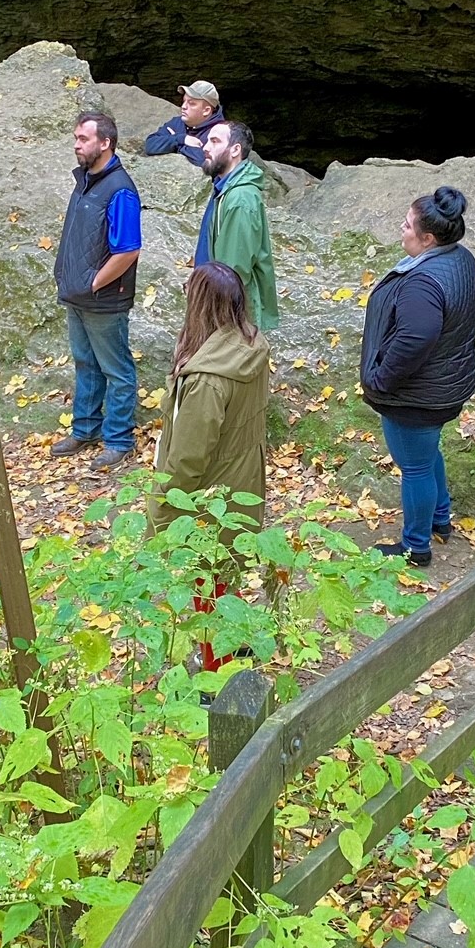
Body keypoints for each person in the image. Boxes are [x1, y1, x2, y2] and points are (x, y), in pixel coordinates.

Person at [153, 263, 273, 672]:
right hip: (243, 477)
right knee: (226, 570)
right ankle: (238, 645)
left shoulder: (208, 378)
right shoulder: (250, 344)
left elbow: (188, 457)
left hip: (210, 493)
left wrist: (163, 506)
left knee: (207, 581)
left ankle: (217, 671)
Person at [361, 187, 475, 568]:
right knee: (427, 453)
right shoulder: (461, 259)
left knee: (413, 466)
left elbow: (415, 339)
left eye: (408, 224)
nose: (402, 228)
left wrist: (380, 380)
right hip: (447, 386)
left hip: (418, 396)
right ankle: (440, 520)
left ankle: (416, 547)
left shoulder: (423, 282)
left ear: (428, 238)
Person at [51, 111, 144, 469]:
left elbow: (128, 250)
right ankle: (85, 429)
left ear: (105, 143)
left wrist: (93, 283)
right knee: (85, 362)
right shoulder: (86, 180)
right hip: (77, 296)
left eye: (83, 139)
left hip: (103, 299)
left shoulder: (119, 189)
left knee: (116, 370)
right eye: (76, 137)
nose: (76, 144)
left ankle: (118, 440)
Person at [194, 120, 280, 330]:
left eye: (214, 141)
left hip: (229, 315)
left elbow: (233, 271)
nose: (205, 147)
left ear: (235, 150)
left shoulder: (240, 198)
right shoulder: (225, 189)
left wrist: (214, 317)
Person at [143, 81, 226, 167]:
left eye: (191, 103)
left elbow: (205, 164)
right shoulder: (178, 122)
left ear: (206, 110)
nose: (183, 106)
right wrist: (182, 139)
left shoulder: (220, 133)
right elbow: (150, 145)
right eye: (184, 101)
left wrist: (172, 145)